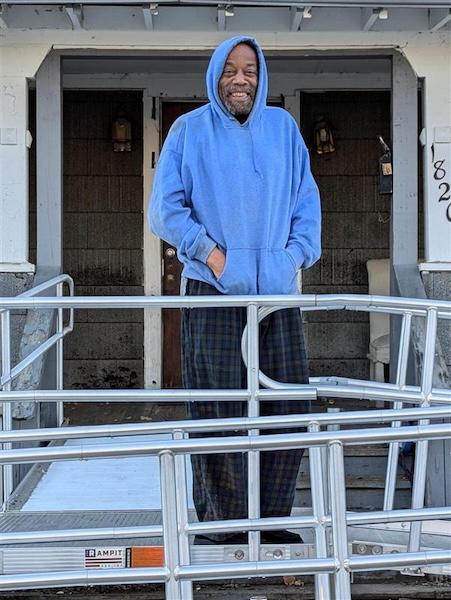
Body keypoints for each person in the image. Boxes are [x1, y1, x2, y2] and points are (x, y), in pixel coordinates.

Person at [148, 36, 321, 545]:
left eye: (248, 70)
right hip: (213, 292)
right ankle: (223, 525)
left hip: (276, 297)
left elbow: (306, 206)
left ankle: (270, 520)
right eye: (230, 70)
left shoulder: (284, 131)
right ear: (215, 76)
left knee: (286, 409)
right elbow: (165, 210)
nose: (240, 79)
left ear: (261, 75)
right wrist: (212, 253)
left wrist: (291, 257)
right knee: (217, 408)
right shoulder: (188, 131)